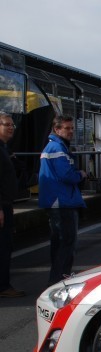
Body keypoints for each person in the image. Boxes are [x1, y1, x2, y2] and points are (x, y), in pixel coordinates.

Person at [39, 115, 87, 286]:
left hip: (59, 201)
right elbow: (66, 174)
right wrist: (80, 174)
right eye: (67, 128)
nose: (71, 131)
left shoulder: (54, 146)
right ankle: (59, 281)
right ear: (57, 129)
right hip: (62, 201)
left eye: (72, 128)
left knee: (59, 244)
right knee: (66, 244)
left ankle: (57, 279)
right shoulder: (57, 148)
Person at [0, 112, 24, 297]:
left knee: (6, 245)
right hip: (2, 205)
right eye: (6, 124)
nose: (11, 127)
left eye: (12, 125)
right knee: (3, 246)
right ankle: (3, 286)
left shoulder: (4, 148)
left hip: (6, 204)